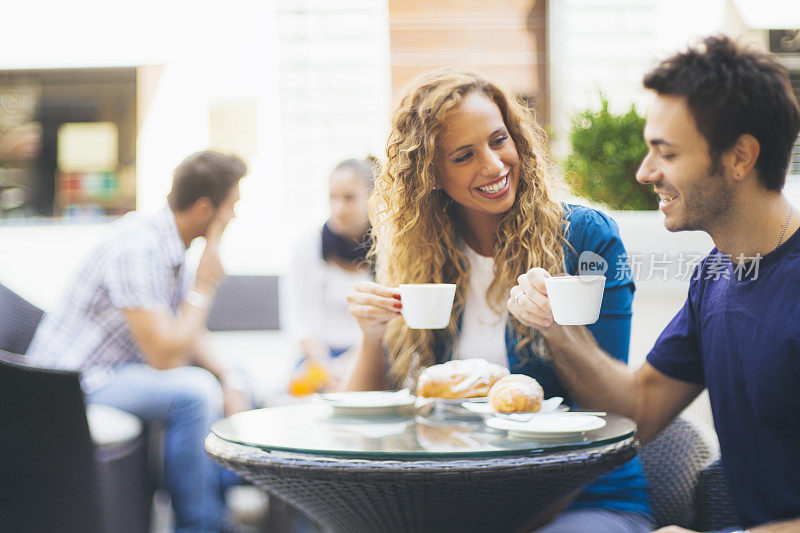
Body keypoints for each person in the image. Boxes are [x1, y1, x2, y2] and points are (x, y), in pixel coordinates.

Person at [508, 36, 800, 533]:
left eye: (665, 153)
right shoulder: (716, 276)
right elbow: (639, 412)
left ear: (740, 157)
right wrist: (556, 325)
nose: (645, 173)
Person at [345, 69, 653, 532]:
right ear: (430, 173)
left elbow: (616, 411)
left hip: (582, 498)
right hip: (457, 500)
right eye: (465, 155)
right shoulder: (416, 254)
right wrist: (372, 337)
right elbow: (363, 423)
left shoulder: (585, 238)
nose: (493, 165)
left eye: (498, 140)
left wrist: (555, 328)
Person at [27, 150, 252, 533]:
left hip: (118, 370)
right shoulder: (138, 246)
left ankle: (217, 505)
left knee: (239, 378)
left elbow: (187, 333)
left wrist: (230, 377)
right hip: (73, 382)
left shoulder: (170, 245)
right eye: (231, 206)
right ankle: (198, 525)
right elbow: (166, 356)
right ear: (204, 209)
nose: (234, 216)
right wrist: (205, 286)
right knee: (195, 393)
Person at [282, 158, 375, 394]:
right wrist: (324, 365)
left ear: (371, 199)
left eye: (349, 198)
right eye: (332, 197)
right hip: (317, 356)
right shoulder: (307, 245)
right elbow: (297, 320)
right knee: (300, 391)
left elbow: (390, 324)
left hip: (369, 351)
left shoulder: (387, 249)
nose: (338, 208)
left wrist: (348, 367)